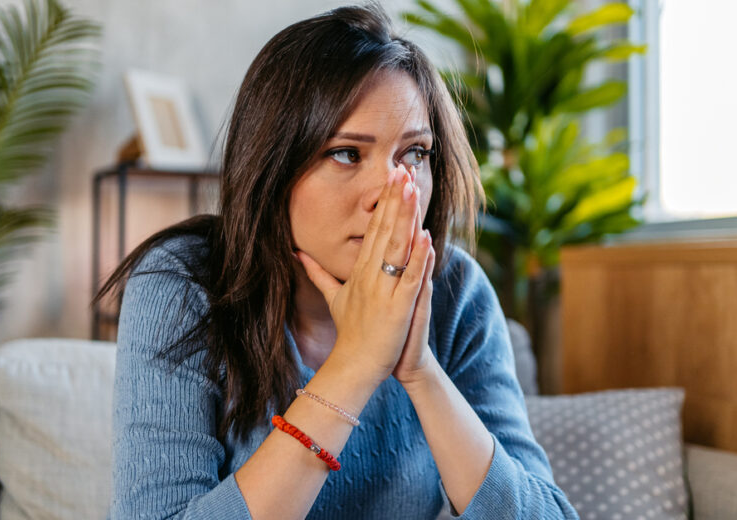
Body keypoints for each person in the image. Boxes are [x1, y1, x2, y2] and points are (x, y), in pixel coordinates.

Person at [99, 4, 578, 519]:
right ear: (272, 168)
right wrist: (356, 364)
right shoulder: (180, 284)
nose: (391, 191)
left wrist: (418, 370)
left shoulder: (456, 289)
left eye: (414, 153)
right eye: (347, 153)